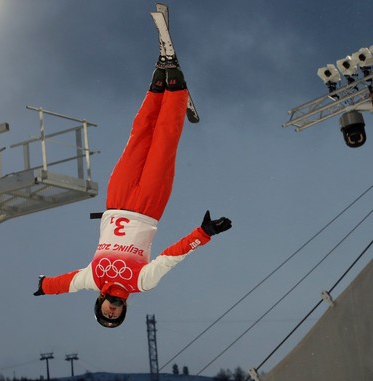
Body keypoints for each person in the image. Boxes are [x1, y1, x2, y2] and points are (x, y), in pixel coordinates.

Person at [33, 61, 232, 328]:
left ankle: (156, 90)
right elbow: (171, 257)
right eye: (115, 316)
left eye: (106, 313)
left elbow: (66, 283)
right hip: (148, 207)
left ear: (100, 303)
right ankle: (175, 91)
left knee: (138, 138)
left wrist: (45, 286)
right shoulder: (142, 283)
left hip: (116, 202)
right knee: (163, 144)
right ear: (124, 309)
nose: (111, 312)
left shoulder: (92, 279)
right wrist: (204, 232)